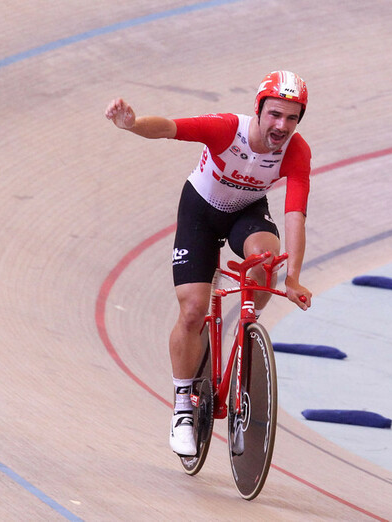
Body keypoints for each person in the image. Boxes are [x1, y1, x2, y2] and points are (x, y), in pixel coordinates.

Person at [105, 71, 313, 456]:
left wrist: (294, 278)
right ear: (258, 110)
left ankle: (247, 332)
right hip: (200, 212)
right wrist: (132, 124)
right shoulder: (227, 129)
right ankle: (183, 408)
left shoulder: (297, 150)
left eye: (291, 118)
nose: (282, 126)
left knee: (266, 263)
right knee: (193, 310)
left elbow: (295, 214)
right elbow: (169, 128)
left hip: (247, 213)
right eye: (275, 114)